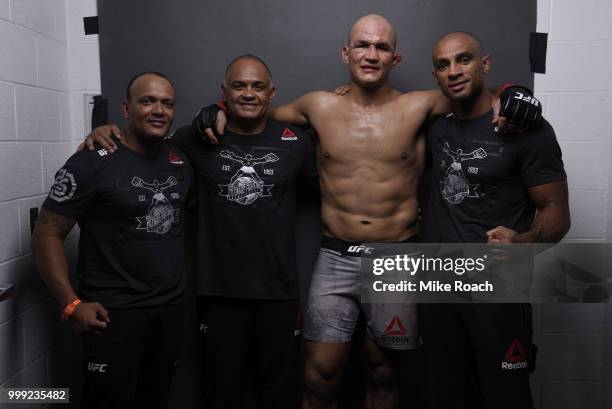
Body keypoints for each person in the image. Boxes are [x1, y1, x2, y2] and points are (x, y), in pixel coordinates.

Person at [194, 15, 541, 409]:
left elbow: (480, 91)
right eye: (362, 45)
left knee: (385, 371)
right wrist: (217, 108)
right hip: (335, 257)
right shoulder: (318, 105)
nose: (371, 54)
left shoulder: (421, 105)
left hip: (396, 258)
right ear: (347, 53)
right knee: (319, 375)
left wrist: (516, 92)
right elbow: (253, 111)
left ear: (396, 58)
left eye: (381, 47)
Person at [83, 55, 317, 408]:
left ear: (272, 93)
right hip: (219, 292)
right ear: (224, 92)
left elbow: (331, 181)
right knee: (218, 393)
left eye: (257, 86)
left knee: (280, 392)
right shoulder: (192, 140)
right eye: (239, 86)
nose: (249, 93)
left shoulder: (297, 143)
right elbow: (142, 151)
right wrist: (102, 131)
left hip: (279, 291)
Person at [418, 31, 570, 409]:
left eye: (464, 59)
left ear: (485, 63)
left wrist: (523, 243)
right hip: (438, 284)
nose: (454, 71)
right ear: (435, 76)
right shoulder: (436, 127)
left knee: (505, 396)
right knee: (446, 395)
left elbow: (557, 213)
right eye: (443, 64)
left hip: (497, 289)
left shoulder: (527, 129)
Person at [32, 72, 192, 409]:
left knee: (156, 399)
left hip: (169, 311)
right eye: (147, 100)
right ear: (126, 108)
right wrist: (70, 304)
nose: (158, 109)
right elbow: (47, 233)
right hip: (112, 313)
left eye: (167, 103)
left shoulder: (180, 161)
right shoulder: (91, 161)